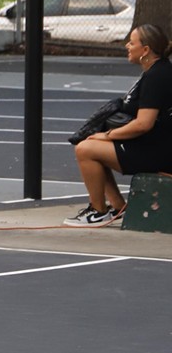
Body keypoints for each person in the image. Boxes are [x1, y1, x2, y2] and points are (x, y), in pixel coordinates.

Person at [67, 23, 172, 227]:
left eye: (132, 43)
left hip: (158, 152)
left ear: (146, 50)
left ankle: (98, 211)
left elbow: (143, 124)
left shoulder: (157, 76)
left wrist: (108, 135)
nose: (127, 46)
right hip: (154, 145)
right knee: (89, 145)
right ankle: (117, 206)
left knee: (86, 149)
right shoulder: (157, 71)